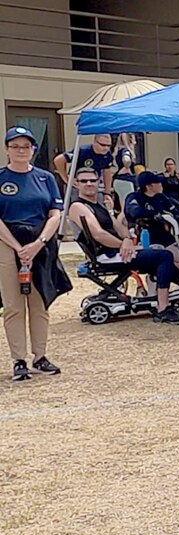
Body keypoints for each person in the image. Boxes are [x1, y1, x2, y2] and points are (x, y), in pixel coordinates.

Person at [67, 167, 179, 324]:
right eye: (84, 181)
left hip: (118, 251)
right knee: (164, 256)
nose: (89, 184)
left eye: (93, 180)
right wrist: (124, 244)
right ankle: (163, 308)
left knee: (158, 253)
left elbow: (120, 228)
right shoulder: (78, 207)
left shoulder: (99, 206)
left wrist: (127, 239)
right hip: (107, 256)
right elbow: (98, 235)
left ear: (99, 182)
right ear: (76, 184)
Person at [0, 126, 70, 381]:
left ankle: (40, 356)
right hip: (8, 243)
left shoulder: (45, 178)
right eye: (15, 146)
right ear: (7, 149)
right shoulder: (1, 177)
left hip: (40, 243)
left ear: (33, 150)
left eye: (26, 146)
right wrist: (18, 248)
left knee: (39, 304)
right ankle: (18, 360)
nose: (21, 151)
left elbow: (55, 213)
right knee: (14, 306)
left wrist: (38, 243)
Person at [124, 171, 179, 272]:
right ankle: (156, 279)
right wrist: (154, 215)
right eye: (158, 183)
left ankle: (162, 276)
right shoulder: (135, 197)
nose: (161, 185)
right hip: (147, 237)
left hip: (165, 236)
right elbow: (133, 211)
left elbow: (175, 211)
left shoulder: (161, 197)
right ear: (149, 186)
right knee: (157, 260)